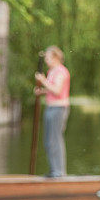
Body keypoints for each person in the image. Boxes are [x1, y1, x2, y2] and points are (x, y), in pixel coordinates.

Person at [35, 45, 70, 177]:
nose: (46, 61)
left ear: (55, 57)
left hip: (59, 109)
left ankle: (59, 172)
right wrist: (41, 91)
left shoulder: (61, 72)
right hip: (50, 107)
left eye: (48, 58)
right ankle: (53, 170)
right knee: (48, 141)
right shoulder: (51, 71)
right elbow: (51, 90)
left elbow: (57, 90)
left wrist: (43, 80)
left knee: (55, 140)